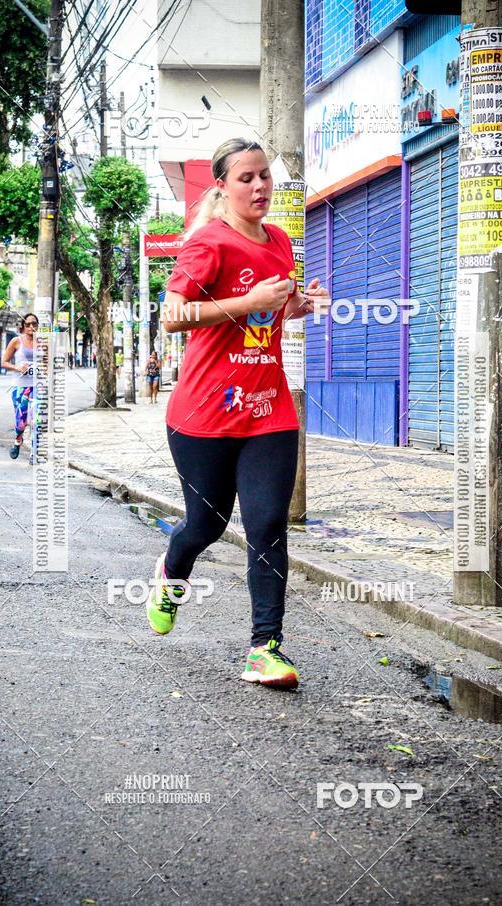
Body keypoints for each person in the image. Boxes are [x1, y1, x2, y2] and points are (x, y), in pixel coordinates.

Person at [145, 137, 329, 690]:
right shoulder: (208, 243)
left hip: (268, 409)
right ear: (221, 186)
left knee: (269, 523)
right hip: (203, 413)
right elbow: (172, 316)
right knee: (207, 523)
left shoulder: (280, 241)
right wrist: (248, 302)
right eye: (246, 178)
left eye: (265, 177)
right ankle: (172, 569)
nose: (259, 187)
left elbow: (265, 322)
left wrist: (295, 306)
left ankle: (264, 648)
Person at [2, 314, 38, 463]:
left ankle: (34, 454)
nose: (31, 327)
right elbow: (4, 362)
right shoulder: (16, 341)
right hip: (20, 387)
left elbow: (50, 363)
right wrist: (17, 367)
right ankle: (18, 441)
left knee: (37, 420)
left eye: (34, 324)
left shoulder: (43, 343)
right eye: (28, 324)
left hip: (37, 387)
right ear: (23, 326)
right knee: (21, 422)